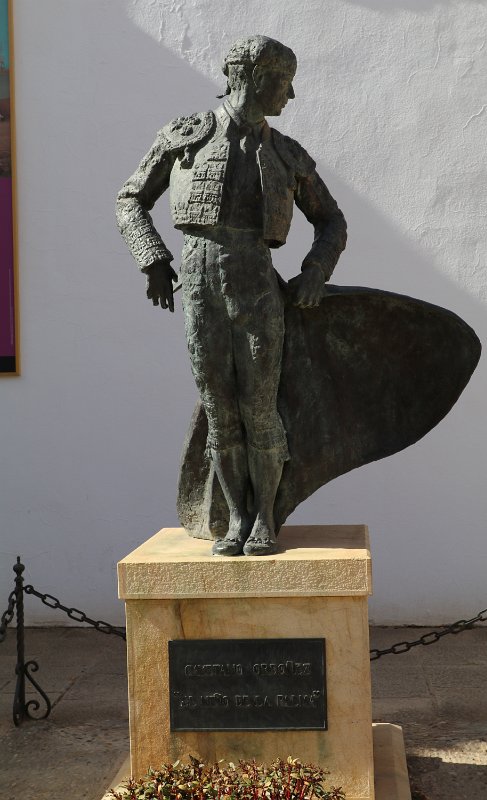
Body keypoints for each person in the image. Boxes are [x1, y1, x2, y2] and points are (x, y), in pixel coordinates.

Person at [116, 35, 347, 556]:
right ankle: (236, 518)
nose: (290, 95)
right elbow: (130, 198)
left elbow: (332, 220)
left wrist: (315, 271)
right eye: (284, 82)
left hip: (257, 287)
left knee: (260, 407)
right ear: (253, 76)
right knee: (220, 410)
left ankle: (264, 516)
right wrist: (152, 258)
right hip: (199, 287)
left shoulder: (287, 154)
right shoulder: (187, 136)